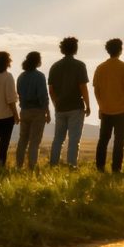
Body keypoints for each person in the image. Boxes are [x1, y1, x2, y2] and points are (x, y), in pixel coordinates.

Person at [92, 38, 124, 173]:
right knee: (119, 142)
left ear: (108, 51)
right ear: (120, 50)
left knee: (103, 140)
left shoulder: (100, 68)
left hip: (105, 110)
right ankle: (116, 169)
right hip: (122, 110)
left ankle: (100, 167)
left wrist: (100, 105)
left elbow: (96, 90)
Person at [48, 37, 91, 168]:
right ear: (75, 49)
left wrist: (56, 104)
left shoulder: (54, 66)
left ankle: (53, 165)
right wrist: (88, 105)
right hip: (75, 107)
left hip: (60, 107)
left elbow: (51, 90)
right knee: (74, 140)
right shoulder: (79, 65)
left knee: (58, 139)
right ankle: (72, 165)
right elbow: (83, 87)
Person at [16, 51, 51, 169]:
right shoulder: (39, 76)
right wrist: (47, 111)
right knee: (34, 141)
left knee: (22, 140)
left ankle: (19, 165)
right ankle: (32, 167)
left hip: (24, 111)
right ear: (37, 61)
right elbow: (42, 96)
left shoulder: (21, 76)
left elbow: (19, 94)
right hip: (37, 111)